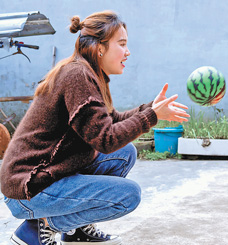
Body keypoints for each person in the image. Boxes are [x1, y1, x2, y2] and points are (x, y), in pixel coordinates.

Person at [0, 10, 189, 245]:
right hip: (28, 187)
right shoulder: (77, 75)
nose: (127, 52)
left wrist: (150, 109)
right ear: (100, 48)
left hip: (43, 176)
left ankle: (76, 231)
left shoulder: (87, 73)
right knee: (128, 196)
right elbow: (105, 140)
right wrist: (149, 116)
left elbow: (110, 122)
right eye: (121, 44)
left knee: (125, 153)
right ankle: (37, 229)